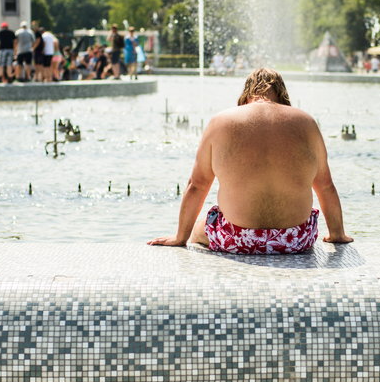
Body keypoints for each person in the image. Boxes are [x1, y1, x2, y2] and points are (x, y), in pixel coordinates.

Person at [148, 68, 352, 254]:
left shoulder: (221, 121)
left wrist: (180, 238)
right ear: (282, 94)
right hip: (296, 239)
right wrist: (337, 235)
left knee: (197, 230)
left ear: (246, 94)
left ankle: (188, 236)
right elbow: (325, 186)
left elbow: (197, 185)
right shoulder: (306, 122)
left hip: (237, 238)